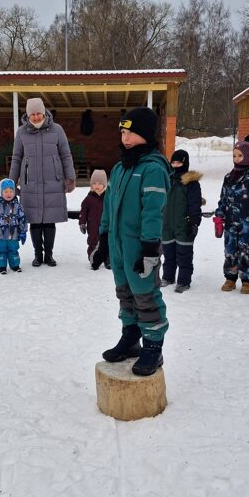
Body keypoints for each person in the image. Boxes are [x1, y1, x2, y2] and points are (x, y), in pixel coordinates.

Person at [93, 107, 170, 377]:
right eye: (123, 133)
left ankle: (153, 347)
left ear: (146, 135)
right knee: (125, 294)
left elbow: (153, 212)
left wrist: (150, 248)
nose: (125, 138)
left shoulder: (153, 170)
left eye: (131, 133)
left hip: (140, 248)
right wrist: (103, 239)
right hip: (118, 246)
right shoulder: (119, 168)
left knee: (145, 295)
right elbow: (108, 208)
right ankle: (131, 338)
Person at [9, 98, 76, 267]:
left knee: (49, 220)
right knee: (35, 220)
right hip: (30, 183)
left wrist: (70, 177)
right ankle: (38, 255)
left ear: (44, 112)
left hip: (53, 181)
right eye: (32, 114)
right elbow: (16, 158)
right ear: (28, 115)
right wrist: (12, 182)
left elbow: (66, 155)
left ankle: (49, 255)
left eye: (39, 113)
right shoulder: (21, 132)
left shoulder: (57, 130)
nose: (36, 117)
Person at [213, 135, 249, 294]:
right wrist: (219, 216)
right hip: (230, 221)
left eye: (240, 155)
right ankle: (230, 278)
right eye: (234, 155)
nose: (236, 158)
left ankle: (247, 280)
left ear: (248, 156)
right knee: (230, 250)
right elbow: (223, 198)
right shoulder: (229, 176)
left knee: (247, 250)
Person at [161, 149, 203, 293]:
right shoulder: (168, 180)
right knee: (168, 253)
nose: (175, 165)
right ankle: (168, 277)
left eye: (178, 163)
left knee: (184, 254)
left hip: (184, 224)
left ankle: (184, 281)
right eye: (173, 163)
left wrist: (194, 221)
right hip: (167, 224)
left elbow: (195, 203)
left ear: (185, 163)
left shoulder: (191, 183)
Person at [0, 178, 27, 274]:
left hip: (14, 235)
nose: (8, 194)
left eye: (11, 191)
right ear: (1, 192)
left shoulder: (18, 206)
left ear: (14, 192)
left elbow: (22, 219)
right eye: (6, 192)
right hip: (0, 235)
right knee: (0, 250)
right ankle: (2, 266)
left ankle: (15, 265)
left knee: (14, 250)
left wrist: (23, 231)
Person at [80, 169, 109, 269]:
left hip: (105, 226)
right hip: (92, 226)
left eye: (100, 183)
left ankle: (107, 259)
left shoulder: (108, 198)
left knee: (107, 242)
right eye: (94, 183)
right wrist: (82, 223)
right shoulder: (89, 198)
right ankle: (93, 258)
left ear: (104, 185)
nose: (97, 186)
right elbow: (83, 211)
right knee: (93, 242)